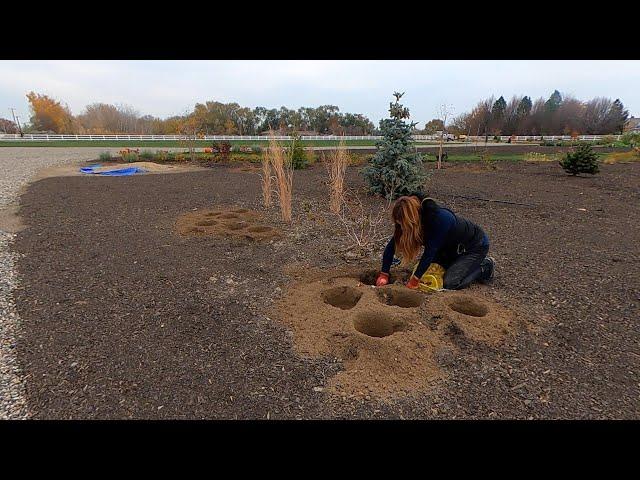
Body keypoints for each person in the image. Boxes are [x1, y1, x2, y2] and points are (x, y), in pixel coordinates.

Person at [375, 193, 495, 290]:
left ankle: (485, 267)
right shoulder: (407, 222)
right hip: (448, 248)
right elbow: (392, 245)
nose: (402, 228)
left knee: (450, 282)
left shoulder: (439, 219)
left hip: (474, 246)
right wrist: (384, 274)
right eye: (399, 225)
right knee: (430, 272)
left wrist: (414, 281)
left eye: (403, 225)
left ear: (412, 220)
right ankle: (456, 264)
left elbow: (429, 253)